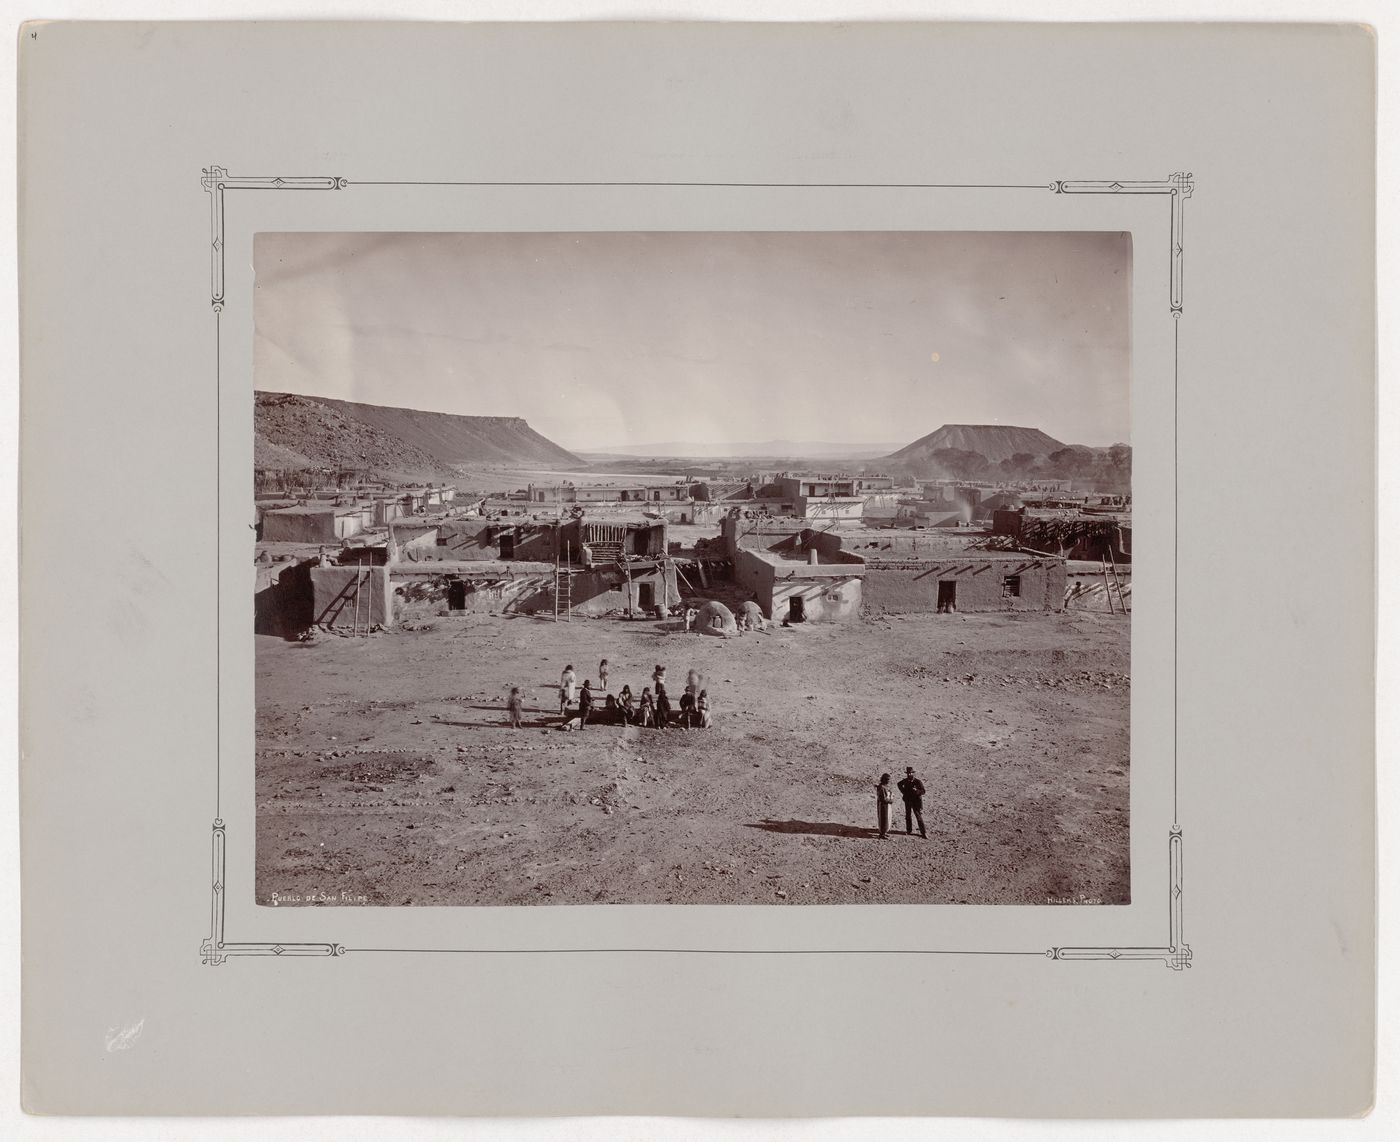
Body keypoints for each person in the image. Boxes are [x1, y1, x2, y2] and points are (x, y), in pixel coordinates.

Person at [897, 766, 927, 838]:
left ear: (913, 773)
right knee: (908, 816)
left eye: (910, 773)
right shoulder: (905, 781)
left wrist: (916, 791)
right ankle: (909, 830)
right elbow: (899, 784)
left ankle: (923, 832)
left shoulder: (917, 782)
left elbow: (923, 791)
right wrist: (904, 792)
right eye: (908, 773)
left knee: (918, 816)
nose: (909, 774)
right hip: (907, 801)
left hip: (916, 802)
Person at [875, 773, 894, 839]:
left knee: (887, 818)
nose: (889, 781)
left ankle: (884, 832)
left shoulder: (884, 786)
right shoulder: (882, 787)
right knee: (884, 818)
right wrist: (890, 801)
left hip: (887, 805)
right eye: (888, 779)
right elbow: (883, 799)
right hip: (883, 805)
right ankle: (882, 833)